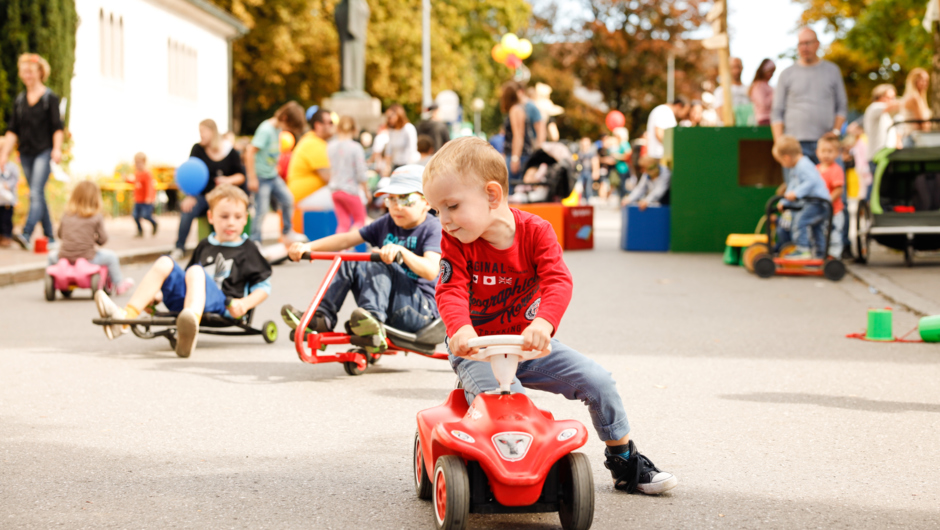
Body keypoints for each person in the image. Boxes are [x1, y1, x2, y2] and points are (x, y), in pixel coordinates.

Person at [422, 137, 678, 495]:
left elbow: (558, 280)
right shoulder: (457, 241)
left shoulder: (536, 232)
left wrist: (543, 322)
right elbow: (450, 289)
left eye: (451, 206)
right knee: (510, 404)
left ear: (492, 196)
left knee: (598, 380)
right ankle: (500, 475)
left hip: (527, 344)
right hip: (477, 349)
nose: (443, 221)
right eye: (436, 211)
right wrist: (460, 329)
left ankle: (624, 461)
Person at [94, 185, 272, 358]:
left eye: (237, 217)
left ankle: (189, 327)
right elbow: (189, 283)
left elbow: (264, 286)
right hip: (190, 303)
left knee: (195, 270)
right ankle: (126, 318)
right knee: (165, 261)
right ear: (210, 217)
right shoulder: (205, 245)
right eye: (224, 216)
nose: (231, 222)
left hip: (223, 304)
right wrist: (157, 297)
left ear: (245, 219)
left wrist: (246, 304)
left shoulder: (248, 249)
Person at [282, 165, 441, 351]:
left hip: (419, 311)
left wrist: (402, 252)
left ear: (427, 202)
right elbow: (346, 239)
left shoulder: (433, 228)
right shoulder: (386, 223)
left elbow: (431, 271)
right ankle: (322, 318)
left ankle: (372, 320)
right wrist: (308, 246)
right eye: (391, 199)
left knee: (379, 259)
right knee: (350, 258)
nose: (397, 206)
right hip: (389, 304)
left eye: (406, 199)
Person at [0, 54, 64, 249]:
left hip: (44, 152)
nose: (27, 75)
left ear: (40, 73)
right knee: (39, 193)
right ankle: (50, 236)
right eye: (24, 72)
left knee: (35, 192)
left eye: (30, 71)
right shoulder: (20, 100)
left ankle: (26, 233)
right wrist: (3, 156)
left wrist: (57, 149)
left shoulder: (49, 98)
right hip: (26, 153)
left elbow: (57, 127)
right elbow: (12, 130)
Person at [771, 28, 848, 163]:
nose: (804, 47)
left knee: (830, 183)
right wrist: (779, 143)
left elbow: (842, 105)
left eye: (808, 43)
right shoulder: (787, 74)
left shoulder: (832, 70)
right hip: (795, 145)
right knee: (798, 185)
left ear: (817, 44)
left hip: (826, 144)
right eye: (801, 44)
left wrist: (836, 132)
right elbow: (777, 111)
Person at [173, 119, 246, 259]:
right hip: (203, 196)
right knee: (187, 210)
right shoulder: (197, 149)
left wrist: (227, 180)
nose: (201, 135)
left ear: (212, 132)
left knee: (225, 213)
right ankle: (179, 247)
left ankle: (227, 247)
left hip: (223, 196)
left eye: (203, 132)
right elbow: (191, 174)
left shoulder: (229, 151)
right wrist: (190, 195)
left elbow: (241, 176)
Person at [48, 181, 134, 294]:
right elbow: (103, 240)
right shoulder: (96, 217)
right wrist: (94, 238)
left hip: (65, 257)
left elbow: (60, 235)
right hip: (88, 258)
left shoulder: (66, 215)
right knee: (111, 257)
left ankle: (51, 282)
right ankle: (119, 284)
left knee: (51, 256)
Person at [246, 101, 307, 244]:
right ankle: (255, 241)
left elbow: (271, 151)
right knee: (261, 211)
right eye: (290, 127)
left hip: (272, 175)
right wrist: (252, 178)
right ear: (285, 118)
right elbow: (250, 152)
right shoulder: (265, 130)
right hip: (261, 177)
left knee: (288, 199)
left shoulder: (278, 130)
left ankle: (287, 232)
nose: (289, 130)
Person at [773, 135, 832, 259]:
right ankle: (821, 254)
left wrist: (796, 193)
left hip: (818, 202)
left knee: (800, 222)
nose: (783, 165)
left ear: (786, 158)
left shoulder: (803, 165)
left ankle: (803, 249)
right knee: (817, 230)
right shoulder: (797, 167)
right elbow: (792, 186)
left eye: (781, 162)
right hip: (816, 203)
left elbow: (811, 181)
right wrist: (785, 201)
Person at [327, 115, 370, 235]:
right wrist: (367, 191)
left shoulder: (330, 146)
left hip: (335, 190)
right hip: (350, 190)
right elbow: (361, 173)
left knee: (343, 223)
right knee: (360, 220)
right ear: (354, 129)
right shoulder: (356, 148)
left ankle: (341, 249)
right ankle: (349, 244)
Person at [288, 108, 333, 212]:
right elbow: (329, 177)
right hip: (302, 198)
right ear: (318, 125)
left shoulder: (313, 140)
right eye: (330, 123)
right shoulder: (314, 143)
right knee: (347, 194)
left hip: (305, 196)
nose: (332, 126)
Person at [501, 81, 541, 183]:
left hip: (519, 155)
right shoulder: (520, 108)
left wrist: (515, 158)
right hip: (521, 154)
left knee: (512, 190)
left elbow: (518, 135)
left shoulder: (515, 110)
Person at [815, 134, 845, 258]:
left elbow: (838, 190)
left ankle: (834, 257)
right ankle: (820, 254)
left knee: (834, 234)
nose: (826, 155)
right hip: (820, 211)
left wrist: (827, 200)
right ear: (817, 152)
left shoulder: (836, 170)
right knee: (820, 233)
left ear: (836, 153)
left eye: (830, 151)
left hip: (835, 211)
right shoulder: (815, 169)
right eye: (823, 151)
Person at [899, 68, 931, 149]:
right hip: (914, 140)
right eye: (922, 80)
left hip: (914, 138)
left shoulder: (919, 98)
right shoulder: (914, 98)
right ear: (914, 81)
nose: (925, 83)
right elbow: (921, 122)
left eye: (926, 80)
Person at [714, 57, 753, 126]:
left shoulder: (750, 89)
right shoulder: (720, 91)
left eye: (739, 67)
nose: (736, 71)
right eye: (733, 67)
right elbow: (721, 114)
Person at [383, 104, 419, 175]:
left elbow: (412, 149)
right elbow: (389, 149)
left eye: (390, 116)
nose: (389, 119)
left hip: (407, 166)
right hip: (396, 166)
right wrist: (387, 166)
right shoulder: (392, 131)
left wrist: (410, 168)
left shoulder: (408, 128)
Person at [128, 152, 158, 238]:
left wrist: (149, 197)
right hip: (138, 199)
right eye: (136, 163)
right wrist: (127, 179)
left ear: (144, 162)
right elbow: (135, 182)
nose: (137, 165)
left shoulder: (147, 174)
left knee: (146, 215)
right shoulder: (137, 173)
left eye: (139, 163)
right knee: (135, 216)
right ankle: (140, 231)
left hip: (147, 200)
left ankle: (154, 223)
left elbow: (150, 186)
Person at [0, 140, 20, 248]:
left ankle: (7, 236)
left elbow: (15, 179)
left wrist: (9, 184)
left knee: (6, 220)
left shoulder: (11, 166)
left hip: (8, 200)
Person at [749, 59, 776, 126]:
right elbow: (763, 104)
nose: (771, 75)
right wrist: (774, 95)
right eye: (770, 71)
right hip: (764, 119)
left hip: (772, 118)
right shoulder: (758, 86)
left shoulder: (768, 86)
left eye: (773, 72)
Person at [576, 137, 599, 203]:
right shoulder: (579, 152)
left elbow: (595, 161)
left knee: (588, 187)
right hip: (581, 172)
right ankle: (581, 199)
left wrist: (595, 171)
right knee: (580, 186)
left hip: (589, 171)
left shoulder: (591, 152)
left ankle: (589, 199)